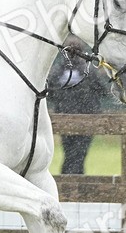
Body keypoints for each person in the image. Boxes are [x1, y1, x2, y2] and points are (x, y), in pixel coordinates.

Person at [47, 37, 113, 174]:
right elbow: (103, 91)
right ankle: (74, 179)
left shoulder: (58, 70)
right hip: (84, 116)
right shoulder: (88, 70)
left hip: (68, 117)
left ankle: (68, 178)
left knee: (72, 151)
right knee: (77, 153)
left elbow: (50, 92)